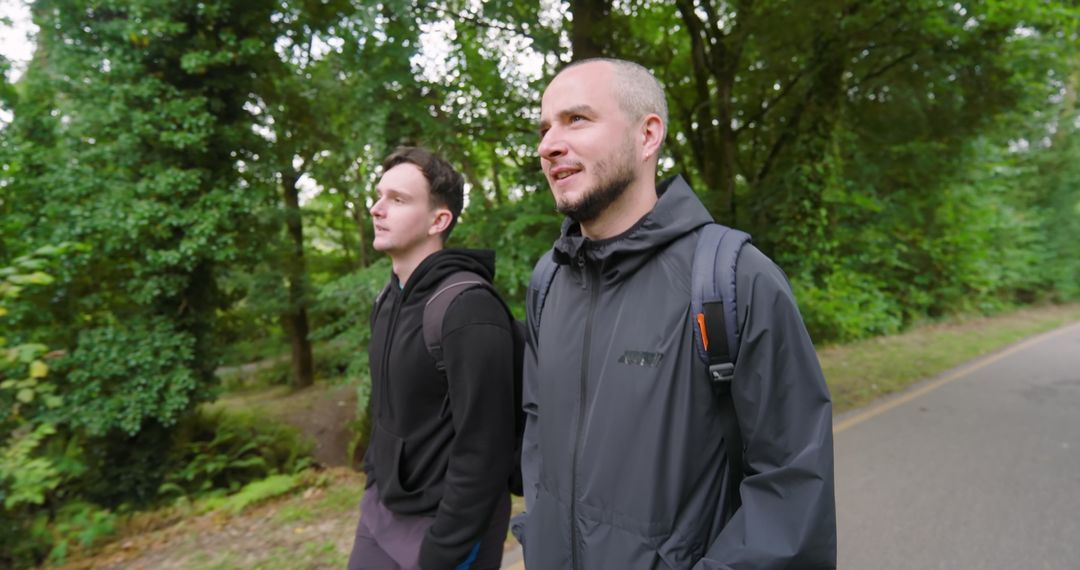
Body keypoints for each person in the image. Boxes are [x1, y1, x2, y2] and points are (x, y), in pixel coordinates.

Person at [513, 58, 837, 568]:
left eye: (577, 119)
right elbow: (536, 429)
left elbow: (792, 484)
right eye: (545, 127)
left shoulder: (735, 280)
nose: (548, 144)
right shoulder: (548, 281)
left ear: (648, 136)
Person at [349, 147, 515, 570]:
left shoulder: (467, 309)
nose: (376, 208)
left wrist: (445, 549)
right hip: (381, 512)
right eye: (379, 195)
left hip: (444, 531)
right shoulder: (388, 298)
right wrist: (375, 476)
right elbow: (389, 409)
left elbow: (486, 447)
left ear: (438, 221)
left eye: (398, 200)